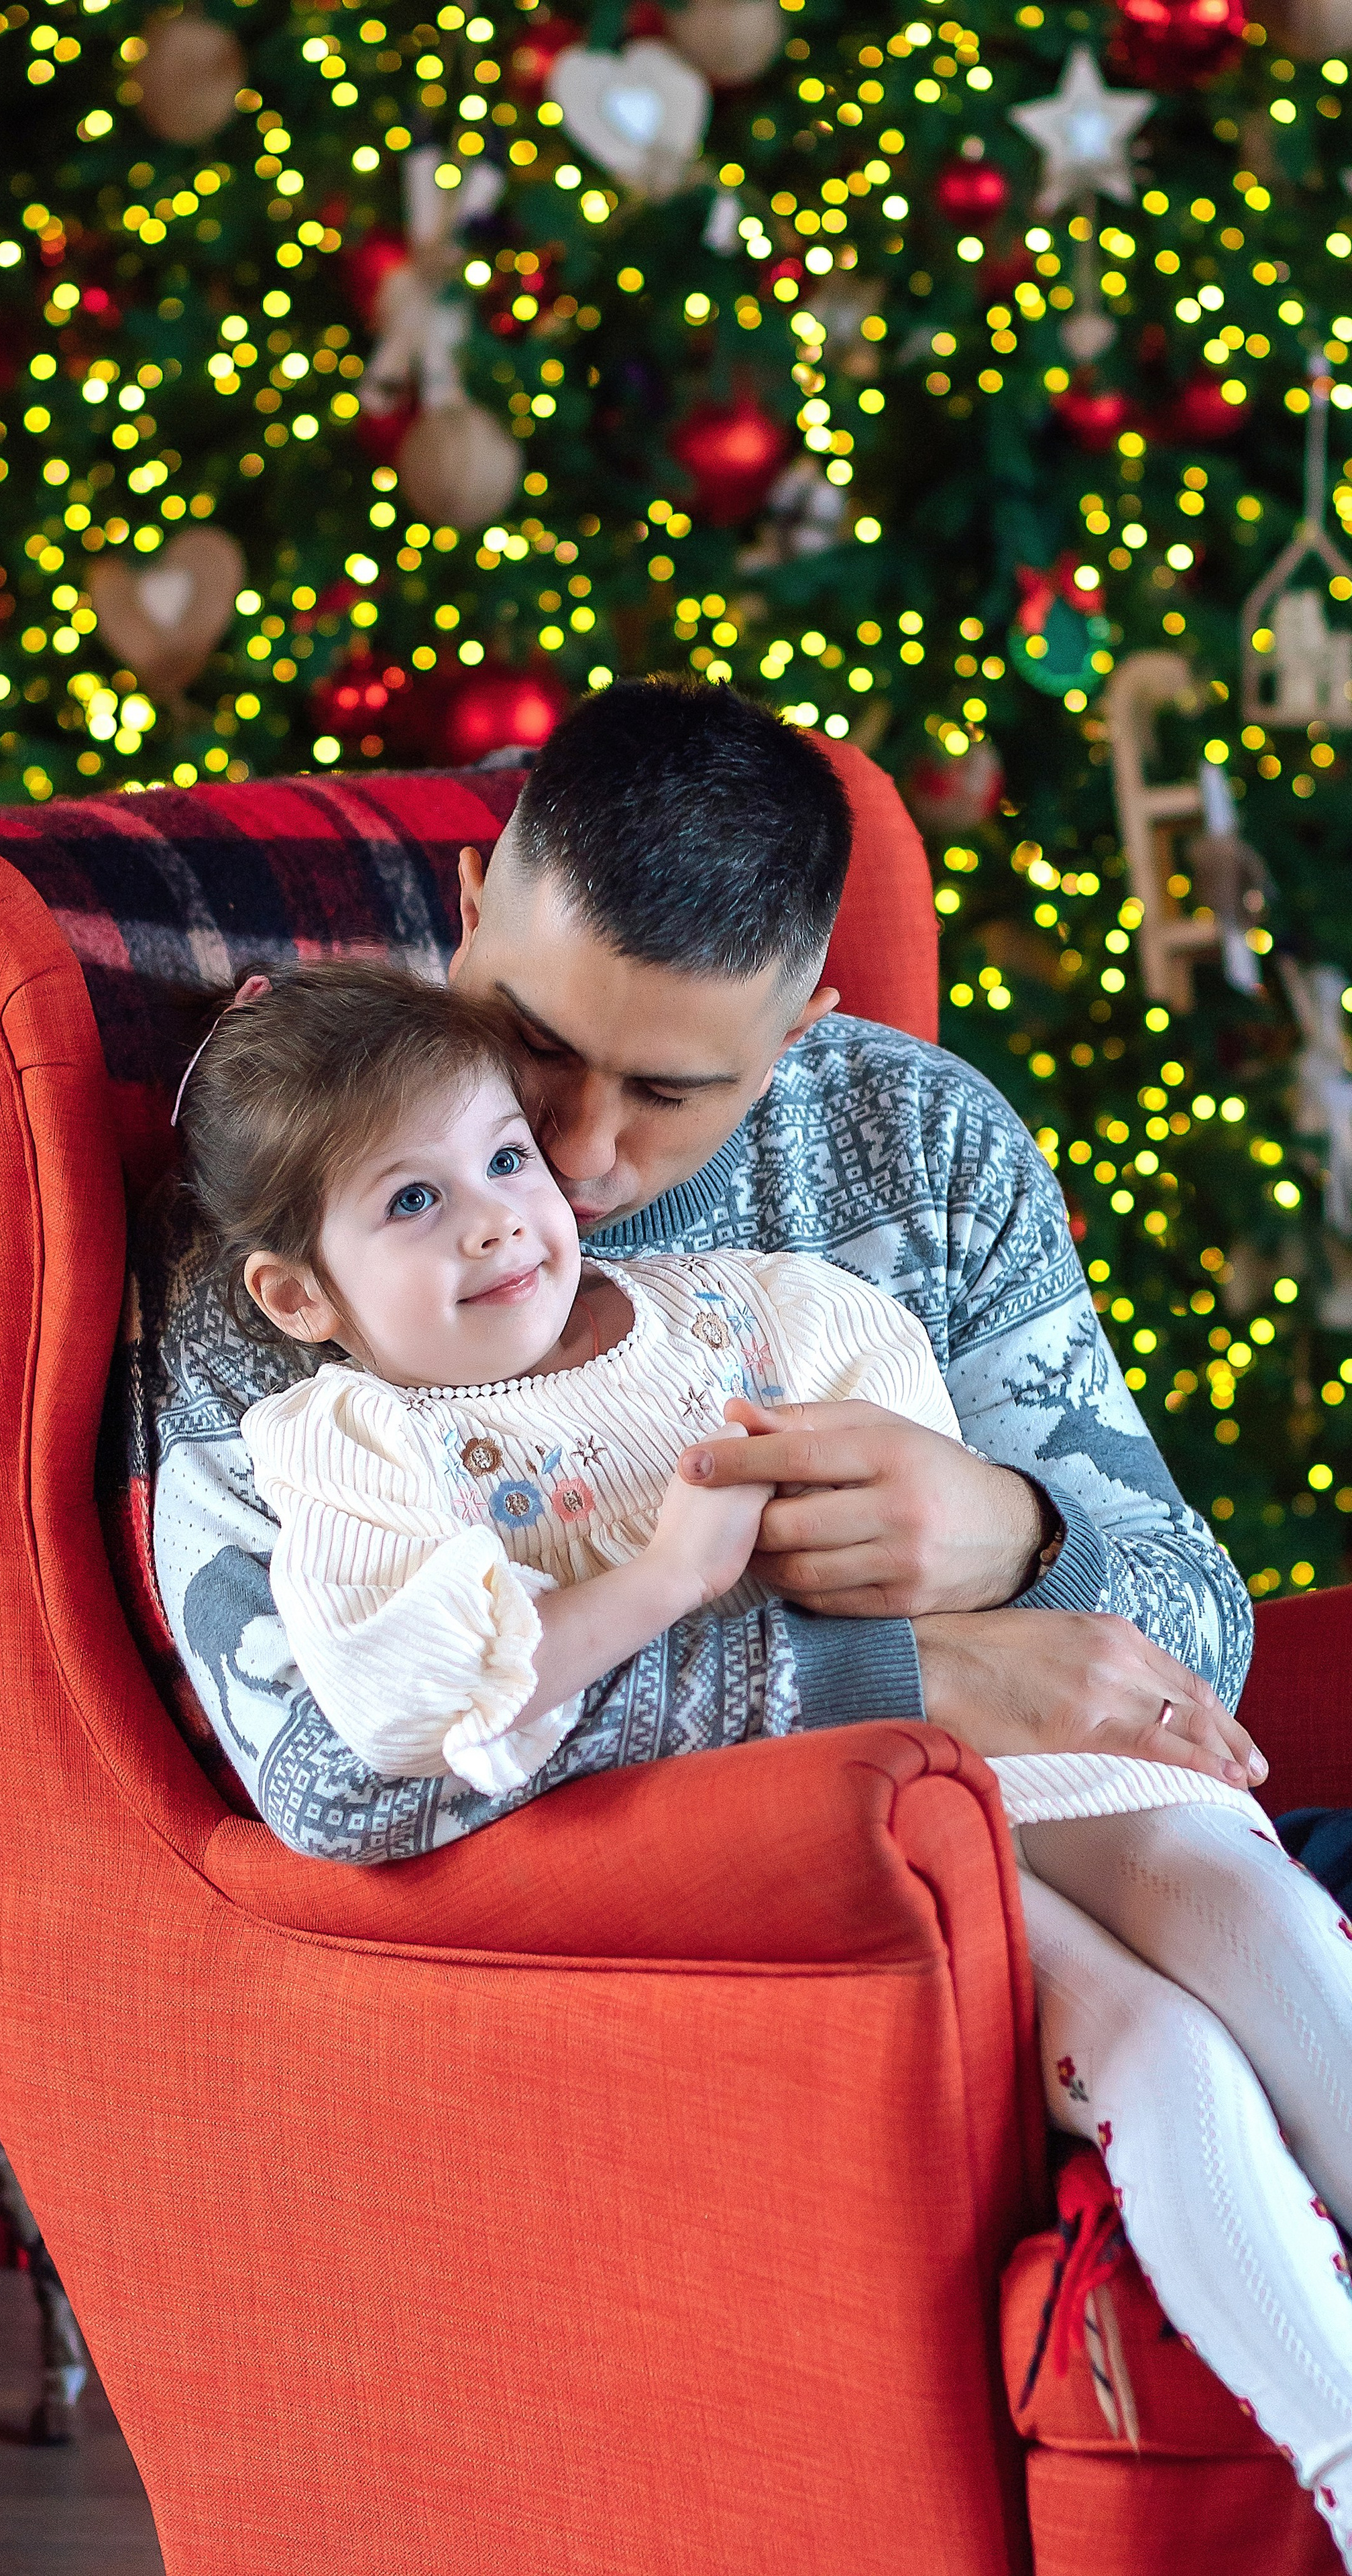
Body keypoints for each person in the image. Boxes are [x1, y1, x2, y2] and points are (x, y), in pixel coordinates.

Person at [176, 954, 1352, 2576]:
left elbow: (979, 1548)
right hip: (850, 1830)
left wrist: (998, 1543)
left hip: (1030, 1763)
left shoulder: (759, 1306)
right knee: (1161, 2064)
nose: (495, 1220)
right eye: (411, 1201)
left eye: (501, 1160)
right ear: (297, 1295)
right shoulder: (354, 1458)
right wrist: (665, 1578)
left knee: (1266, 1933)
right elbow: (417, 1719)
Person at [151, 675, 1254, 1864]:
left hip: (1067, 1850)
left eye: (669, 1093)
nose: (573, 1151)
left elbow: (1203, 1636)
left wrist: (1020, 1537)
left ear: (794, 1036)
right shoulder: (327, 1223)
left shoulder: (928, 1142)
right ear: (472, 913)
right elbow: (325, 1771)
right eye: (537, 1042)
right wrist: (894, 1676)